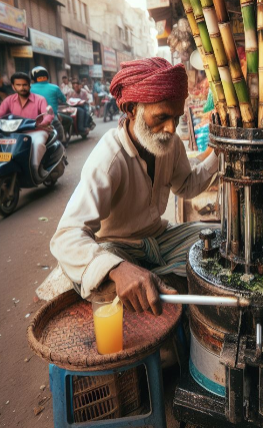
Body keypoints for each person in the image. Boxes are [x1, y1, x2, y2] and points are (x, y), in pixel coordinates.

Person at [50, 57, 218, 314]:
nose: (171, 128)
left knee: (218, 238)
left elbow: (186, 186)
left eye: (175, 117)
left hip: (159, 239)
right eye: (161, 117)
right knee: (105, 274)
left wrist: (220, 153)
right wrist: (117, 269)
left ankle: (156, 276)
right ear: (130, 110)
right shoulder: (108, 159)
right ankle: (145, 278)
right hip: (119, 248)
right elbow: (66, 236)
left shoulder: (169, 144)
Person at [0, 72, 53, 181]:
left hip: (37, 131)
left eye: (25, 85)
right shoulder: (8, 100)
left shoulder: (40, 99)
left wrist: (43, 122)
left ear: (30, 85)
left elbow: (48, 115)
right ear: (13, 86)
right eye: (18, 85)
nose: (22, 88)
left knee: (38, 144)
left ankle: (35, 170)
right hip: (15, 133)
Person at [30, 66, 72, 145]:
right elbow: (64, 99)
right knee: (67, 121)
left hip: (33, 118)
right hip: (51, 117)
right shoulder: (55, 88)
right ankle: (62, 141)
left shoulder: (29, 89)